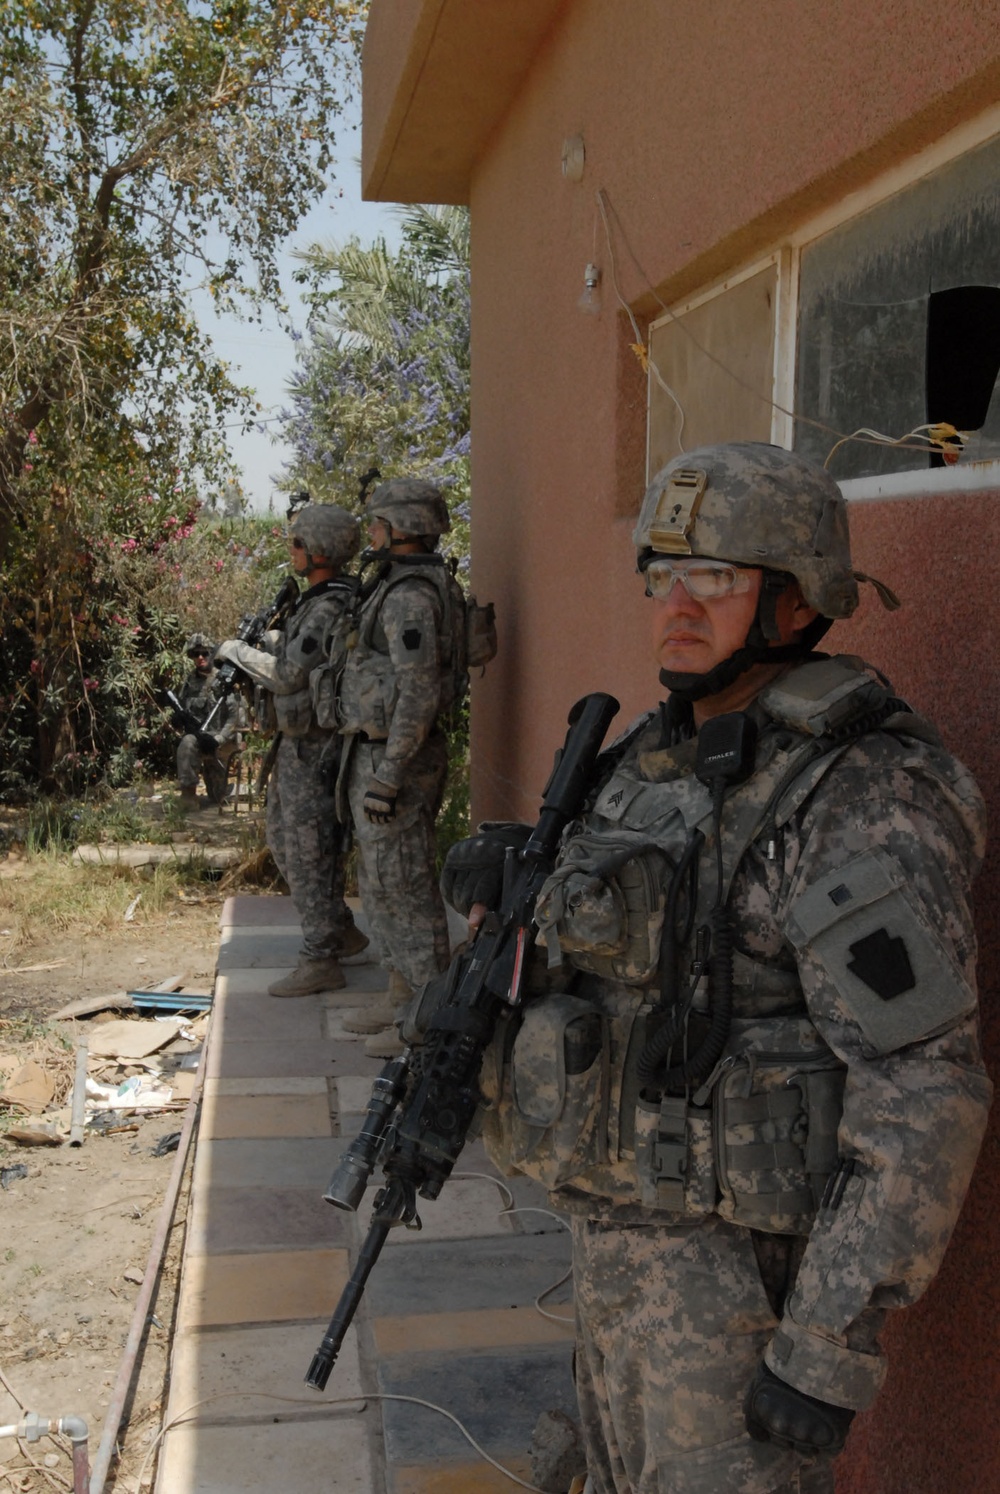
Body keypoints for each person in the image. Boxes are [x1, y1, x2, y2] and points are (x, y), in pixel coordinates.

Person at [440, 443, 992, 1493]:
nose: (676, 607)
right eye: (662, 575)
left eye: (717, 579)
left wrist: (827, 1343)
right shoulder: (654, 753)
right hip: (613, 1247)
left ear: (794, 602)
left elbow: (922, 1085)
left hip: (732, 1288)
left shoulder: (861, 794)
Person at [214, 502, 367, 997]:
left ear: (320, 551)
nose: (292, 550)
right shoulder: (317, 600)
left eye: (299, 543)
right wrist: (273, 638)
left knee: (307, 852)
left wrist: (237, 651)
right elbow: (298, 653)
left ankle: (320, 957)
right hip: (298, 745)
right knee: (284, 841)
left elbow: (289, 676)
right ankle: (338, 930)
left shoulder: (328, 604)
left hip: (315, 750)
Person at [336, 478, 461, 1056]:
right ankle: (399, 992)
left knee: (406, 884)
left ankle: (430, 1015)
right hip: (379, 752)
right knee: (381, 880)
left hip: (399, 758)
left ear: (403, 527)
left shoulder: (411, 595)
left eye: (379, 523)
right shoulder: (392, 585)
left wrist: (389, 772)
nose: (373, 533)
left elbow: (418, 689)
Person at [174, 633, 243, 809]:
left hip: (221, 741)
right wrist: (178, 719)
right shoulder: (190, 681)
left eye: (204, 653)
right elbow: (183, 709)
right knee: (187, 742)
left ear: (211, 654)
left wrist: (218, 740)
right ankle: (188, 795)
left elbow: (234, 717)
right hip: (199, 739)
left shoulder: (223, 680)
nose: (200, 658)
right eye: (196, 654)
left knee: (217, 796)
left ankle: (231, 787)